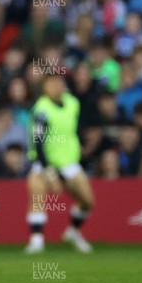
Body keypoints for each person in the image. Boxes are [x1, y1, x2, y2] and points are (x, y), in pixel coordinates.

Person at [25, 75, 95, 254]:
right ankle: (36, 240)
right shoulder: (41, 109)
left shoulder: (73, 103)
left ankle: (73, 232)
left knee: (87, 201)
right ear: (45, 88)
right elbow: (38, 142)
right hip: (44, 162)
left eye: (59, 83)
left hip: (69, 161)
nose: (57, 86)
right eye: (52, 83)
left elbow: (73, 128)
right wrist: (49, 172)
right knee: (37, 194)